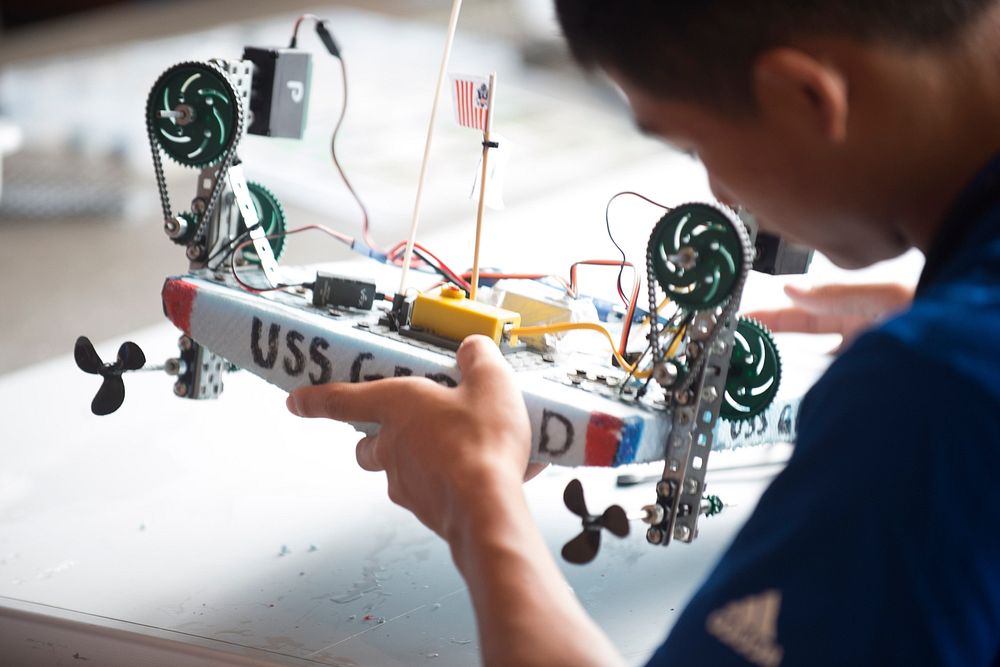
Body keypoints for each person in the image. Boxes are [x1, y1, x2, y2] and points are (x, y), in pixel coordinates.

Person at [286, 1, 1000, 664]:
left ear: (803, 97)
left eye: (693, 146)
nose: (719, 194)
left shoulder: (930, 395)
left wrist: (477, 502)